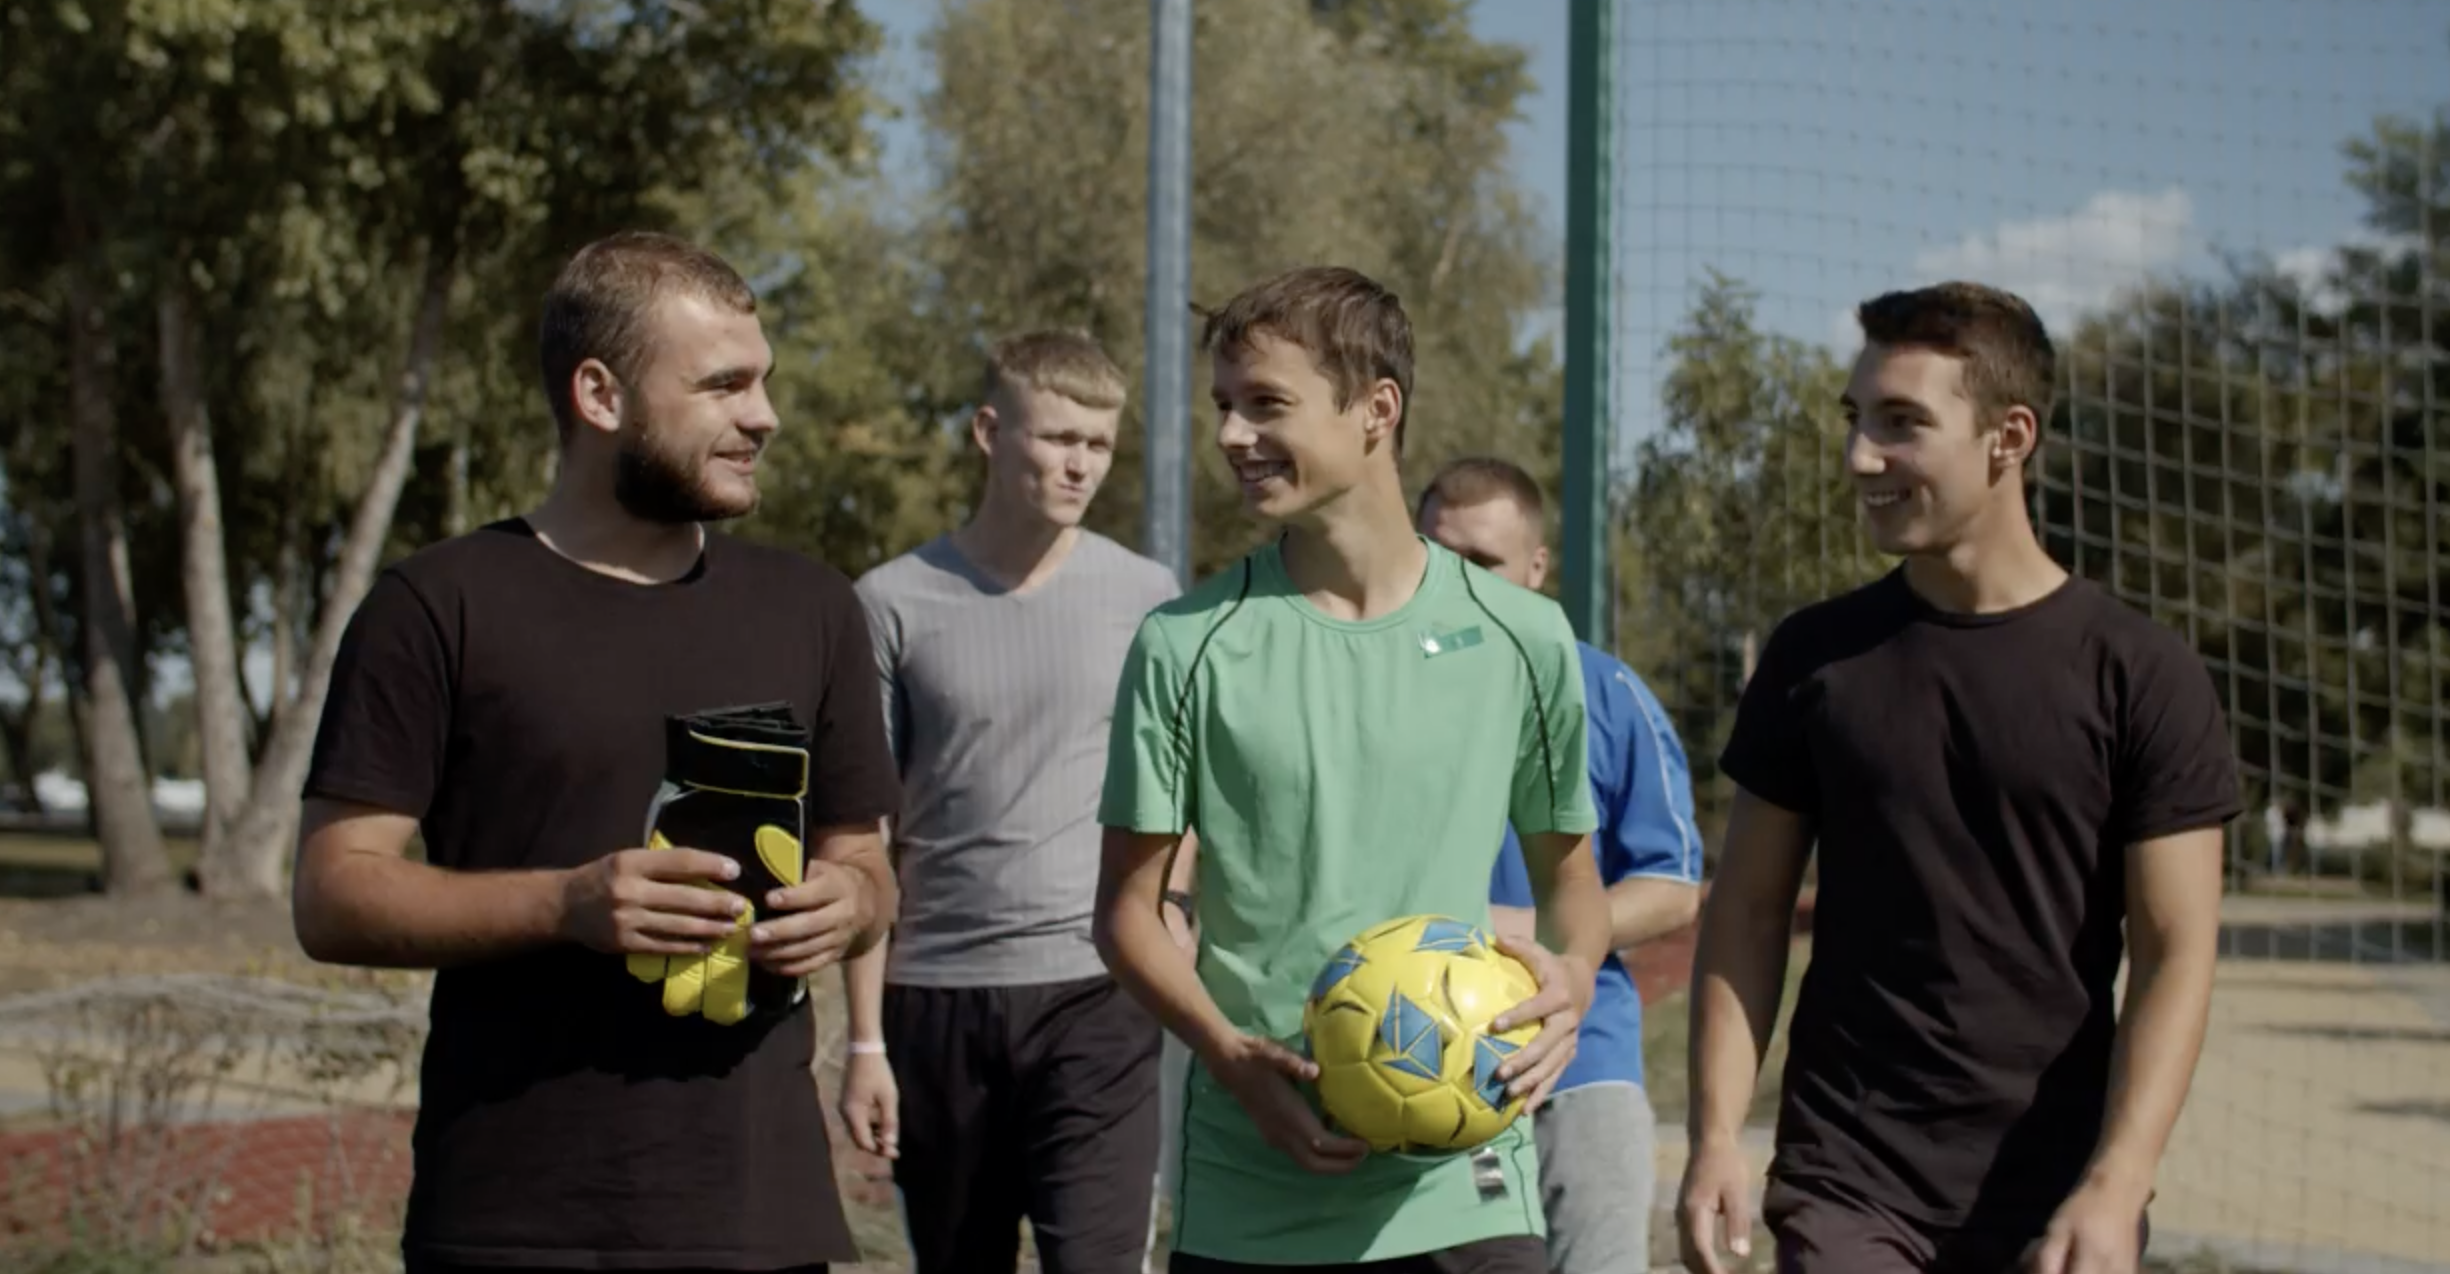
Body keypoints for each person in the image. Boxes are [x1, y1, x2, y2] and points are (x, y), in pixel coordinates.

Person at [291, 231, 901, 1274]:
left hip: (758, 1219)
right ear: (599, 393)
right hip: (513, 1218)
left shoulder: (813, 608)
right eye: (723, 384)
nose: (764, 415)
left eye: (763, 383)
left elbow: (871, 865)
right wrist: (566, 903)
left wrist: (848, 903)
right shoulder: (435, 606)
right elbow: (333, 894)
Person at [1673, 282, 2240, 1274]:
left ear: (2007, 434)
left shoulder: (2141, 673)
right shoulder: (1815, 657)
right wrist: (1716, 1133)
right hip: (1847, 1172)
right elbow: (1748, 912)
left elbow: (2173, 951)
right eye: (1856, 419)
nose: (1860, 456)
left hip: (2053, 1190)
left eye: (1902, 423)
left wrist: (2117, 1180)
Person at [1093, 265, 1614, 1274]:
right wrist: (1231, 1057)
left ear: (1377, 408)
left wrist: (1574, 981)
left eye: (1266, 404)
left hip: (1466, 1173)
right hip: (1254, 1182)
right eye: (1223, 407)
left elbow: (1571, 885)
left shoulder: (1524, 634)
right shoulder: (1184, 644)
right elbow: (1124, 912)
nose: (1233, 435)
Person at [836, 330, 1188, 1274]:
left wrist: (1177, 911)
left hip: (1097, 993)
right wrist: (864, 1041)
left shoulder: (1148, 597)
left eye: (1100, 445)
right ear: (991, 430)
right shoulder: (890, 603)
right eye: (1059, 437)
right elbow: (862, 837)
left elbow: (1179, 786)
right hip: (934, 998)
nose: (1081, 463)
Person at [1414, 456, 1706, 1274]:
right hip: (1418, 1061)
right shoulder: (1376, 695)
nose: (1459, 584)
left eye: (1486, 564)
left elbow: (1673, 890)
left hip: (1585, 1059)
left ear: (1536, 570)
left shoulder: (1608, 695)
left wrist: (1523, 925)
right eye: (1440, 557)